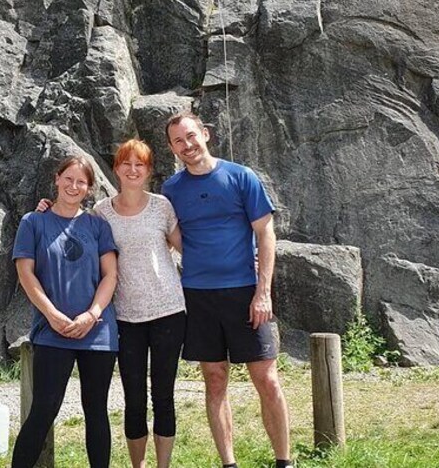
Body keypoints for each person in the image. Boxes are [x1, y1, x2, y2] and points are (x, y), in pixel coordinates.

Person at [37, 140, 186, 468]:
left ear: (148, 171)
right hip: (125, 316)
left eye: (141, 165)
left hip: (168, 312)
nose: (133, 170)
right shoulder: (100, 211)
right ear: (116, 168)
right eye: (126, 164)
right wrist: (44, 211)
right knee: (134, 397)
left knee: (163, 395)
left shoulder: (162, 206)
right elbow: (70, 222)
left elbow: (188, 249)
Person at [162, 112, 292, 468]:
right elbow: (157, 228)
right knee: (215, 380)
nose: (187, 145)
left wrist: (262, 292)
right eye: (178, 141)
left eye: (191, 136)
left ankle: (285, 461)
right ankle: (229, 464)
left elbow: (266, 234)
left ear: (205, 134)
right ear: (172, 148)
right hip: (199, 296)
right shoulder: (171, 190)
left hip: (245, 293)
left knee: (265, 378)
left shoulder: (241, 176)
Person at [11, 156, 120, 468]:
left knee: (96, 409)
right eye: (68, 179)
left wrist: (92, 314)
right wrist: (53, 316)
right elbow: (26, 274)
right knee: (44, 409)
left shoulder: (98, 226)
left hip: (97, 333)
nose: (74, 186)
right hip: (52, 332)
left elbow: (110, 276)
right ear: (57, 179)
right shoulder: (33, 222)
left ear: (88, 188)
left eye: (81, 182)